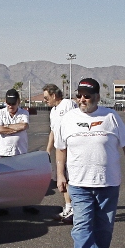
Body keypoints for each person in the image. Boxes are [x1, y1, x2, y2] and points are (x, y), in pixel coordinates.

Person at [53, 78, 125, 248]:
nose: (82, 99)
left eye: (87, 95)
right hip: (79, 183)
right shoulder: (68, 119)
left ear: (97, 97)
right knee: (82, 225)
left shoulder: (111, 117)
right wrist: (60, 175)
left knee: (103, 229)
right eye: (79, 95)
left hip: (107, 184)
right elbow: (60, 148)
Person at [42, 82, 77, 221]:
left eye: (46, 97)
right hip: (60, 150)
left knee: (72, 178)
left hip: (72, 149)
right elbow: (53, 132)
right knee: (63, 178)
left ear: (54, 95)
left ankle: (75, 209)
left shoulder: (68, 104)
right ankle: (68, 207)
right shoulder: (53, 111)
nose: (45, 101)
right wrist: (48, 150)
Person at [0, 89, 29, 156]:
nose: (10, 106)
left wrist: (5, 126)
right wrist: (17, 128)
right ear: (5, 101)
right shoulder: (0, 113)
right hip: (4, 154)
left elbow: (24, 126)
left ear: (18, 102)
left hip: (21, 153)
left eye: (13, 104)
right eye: (8, 103)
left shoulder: (24, 113)